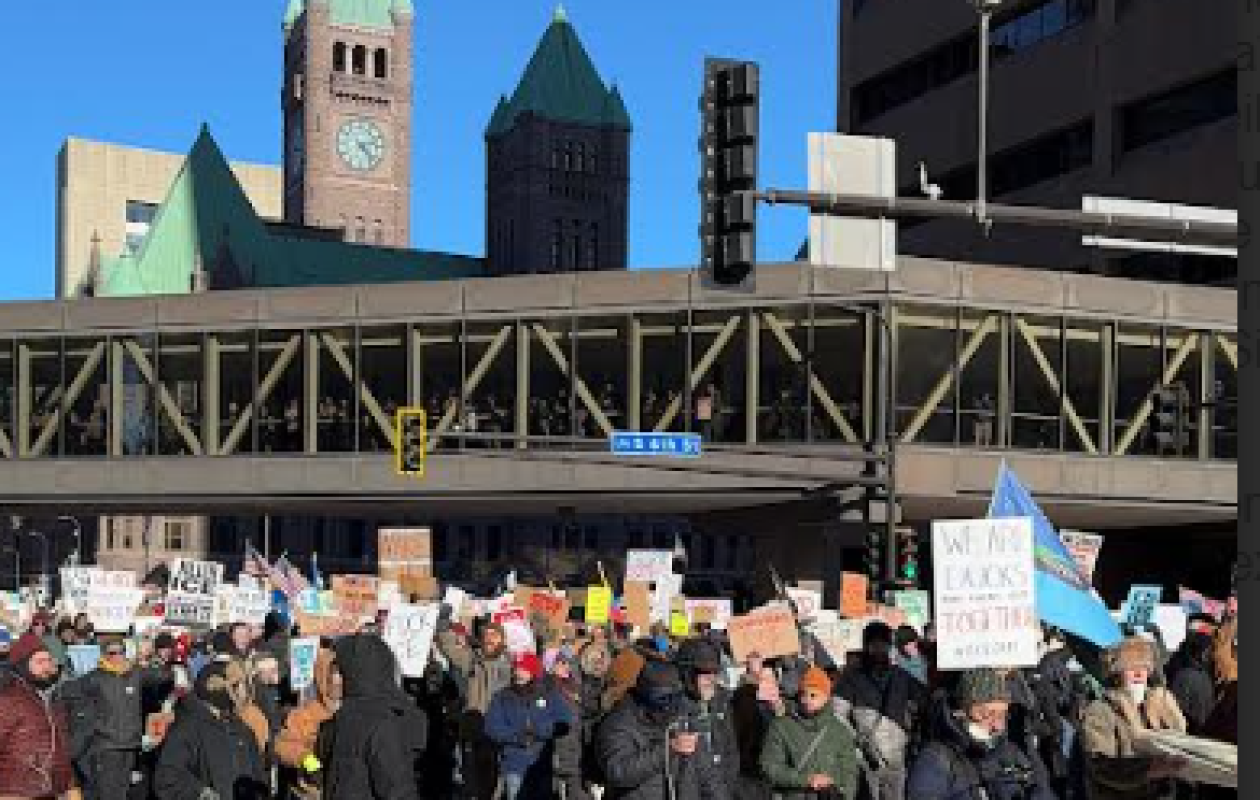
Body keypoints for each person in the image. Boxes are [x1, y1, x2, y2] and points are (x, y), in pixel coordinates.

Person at [906, 668, 1056, 800]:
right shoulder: (935, 758)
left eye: (1002, 715)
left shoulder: (1012, 752)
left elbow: (1041, 789)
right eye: (987, 714)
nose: (997, 726)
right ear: (961, 712)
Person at [318, 634, 427, 800]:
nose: (335, 679)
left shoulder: (382, 724)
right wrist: (308, 765)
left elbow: (398, 790)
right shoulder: (339, 720)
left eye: (341, 671)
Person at [596, 658, 722, 800]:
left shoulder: (682, 717)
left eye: (674, 698)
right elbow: (618, 772)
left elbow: (708, 775)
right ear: (645, 697)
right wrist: (667, 749)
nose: (668, 707)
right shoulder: (618, 723)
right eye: (662, 700)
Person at [1080, 637, 1188, 800]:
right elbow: (1099, 765)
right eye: (1131, 668)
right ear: (1117, 673)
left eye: (1143, 667)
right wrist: (1150, 769)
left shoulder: (1161, 703)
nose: (1138, 674)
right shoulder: (1101, 709)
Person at [833, 622, 927, 800]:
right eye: (874, 644)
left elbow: (924, 702)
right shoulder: (851, 679)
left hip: (896, 758)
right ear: (866, 646)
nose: (879, 649)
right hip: (865, 760)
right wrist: (859, 742)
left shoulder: (901, 676)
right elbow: (838, 716)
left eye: (884, 644)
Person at [154, 659, 270, 800]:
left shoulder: (242, 728)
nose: (242, 691)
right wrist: (201, 793)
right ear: (216, 688)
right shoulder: (188, 727)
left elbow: (258, 774)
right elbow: (167, 778)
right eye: (235, 686)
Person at [78, 636, 173, 800]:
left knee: (122, 791)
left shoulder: (135, 673)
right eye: (112, 653)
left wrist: (151, 658)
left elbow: (164, 676)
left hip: (130, 743)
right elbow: (73, 697)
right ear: (104, 655)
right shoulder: (95, 678)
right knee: (108, 792)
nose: (117, 656)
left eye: (121, 652)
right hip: (106, 746)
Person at [436, 619, 512, 800]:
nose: (489, 639)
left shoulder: (511, 664)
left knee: (495, 774)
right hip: (473, 728)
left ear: (502, 640)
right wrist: (443, 625)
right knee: (471, 773)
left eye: (494, 635)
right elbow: (449, 649)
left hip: (498, 731)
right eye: (487, 635)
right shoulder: (472, 659)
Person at [485, 652, 576, 800]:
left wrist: (541, 730)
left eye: (523, 669)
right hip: (514, 764)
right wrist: (518, 737)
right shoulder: (502, 697)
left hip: (542, 764)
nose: (518, 673)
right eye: (516, 668)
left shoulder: (549, 694)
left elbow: (565, 720)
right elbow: (492, 727)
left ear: (533, 672)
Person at [759, 665, 858, 800]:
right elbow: (769, 767)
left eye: (813, 695)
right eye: (803, 694)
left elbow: (849, 772)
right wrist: (806, 780)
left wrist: (844, 794)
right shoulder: (781, 726)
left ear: (826, 697)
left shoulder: (840, 730)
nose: (807, 700)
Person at [0, 632, 77, 799]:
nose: (47, 666)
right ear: (22, 665)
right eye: (40, 661)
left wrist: (71, 787)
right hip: (14, 792)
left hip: (50, 792)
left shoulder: (53, 700)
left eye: (49, 660)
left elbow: (61, 749)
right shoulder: (7, 699)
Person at [675, 637, 741, 798]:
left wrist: (727, 788)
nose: (712, 679)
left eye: (715, 672)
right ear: (688, 675)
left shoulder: (722, 700)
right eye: (705, 673)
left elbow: (730, 750)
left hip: (722, 790)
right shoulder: (672, 707)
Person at [276, 647, 342, 800]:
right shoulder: (305, 714)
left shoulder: (356, 711)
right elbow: (283, 745)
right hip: (314, 791)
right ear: (323, 676)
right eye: (335, 673)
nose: (340, 679)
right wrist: (307, 760)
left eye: (342, 673)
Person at [1164, 629, 1216, 735]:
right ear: (1201, 653)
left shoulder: (1191, 673)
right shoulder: (1190, 676)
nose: (1213, 655)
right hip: (1193, 734)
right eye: (1209, 651)